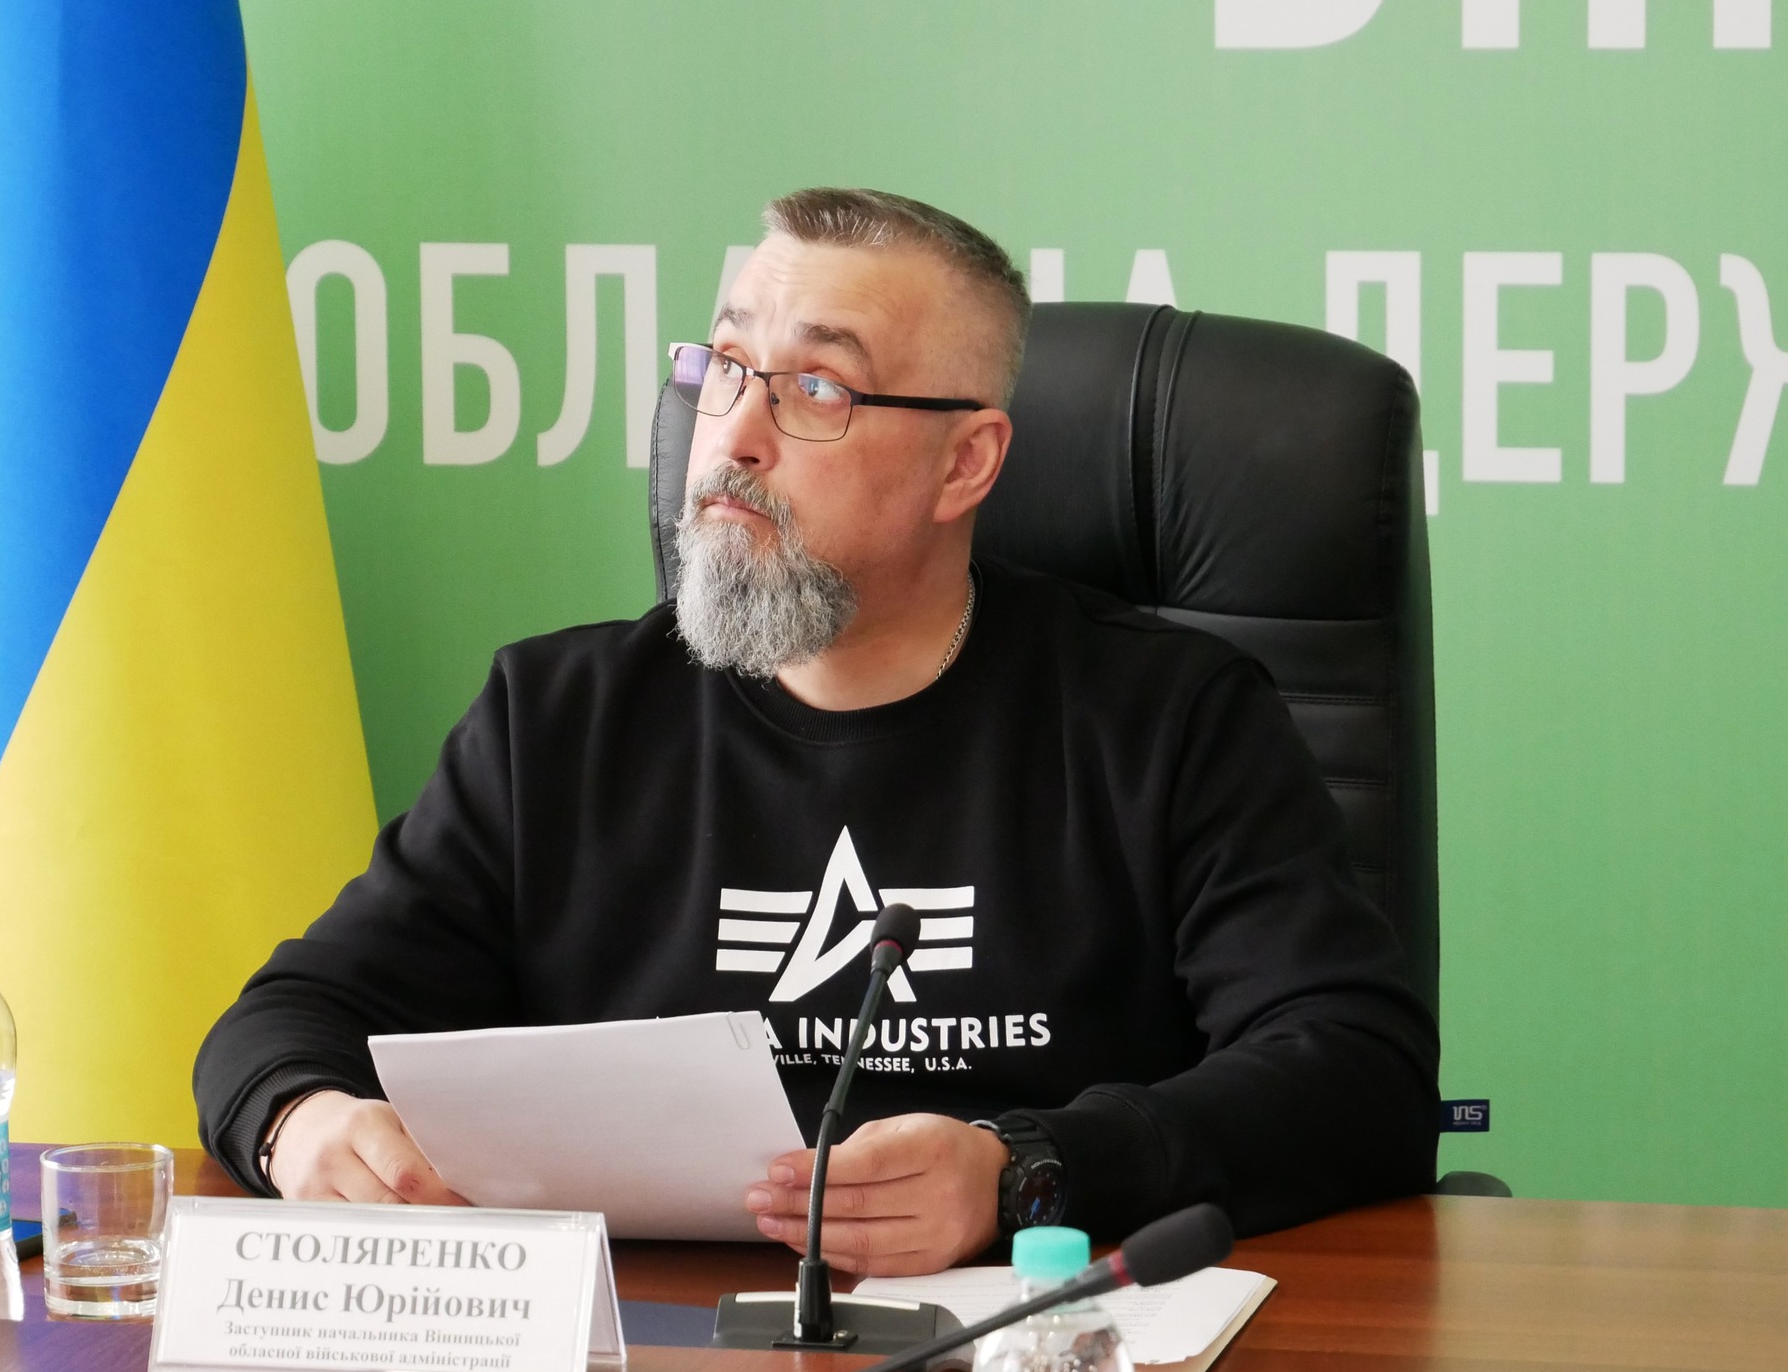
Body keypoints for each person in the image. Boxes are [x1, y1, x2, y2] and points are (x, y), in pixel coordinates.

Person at [194, 187, 1439, 1278]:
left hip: (1033, 1354)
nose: (732, 434)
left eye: (816, 391)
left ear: (965, 464)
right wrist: (300, 1120)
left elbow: (1356, 1070)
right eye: (727, 366)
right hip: (647, 1370)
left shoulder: (1166, 717)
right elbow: (287, 1016)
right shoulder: (558, 718)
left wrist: (1022, 1170)